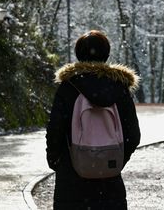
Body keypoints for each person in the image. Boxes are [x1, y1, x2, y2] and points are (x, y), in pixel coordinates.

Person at [46, 30, 141, 210]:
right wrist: (114, 158)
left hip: (71, 180)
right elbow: (133, 135)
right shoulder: (119, 88)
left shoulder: (69, 87)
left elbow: (55, 130)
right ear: (106, 54)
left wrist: (57, 161)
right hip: (109, 182)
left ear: (79, 54)